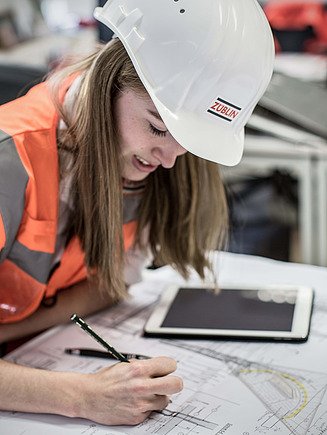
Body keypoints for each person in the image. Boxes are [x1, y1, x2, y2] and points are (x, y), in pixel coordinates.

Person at [0, 0, 274, 427]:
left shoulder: (148, 154)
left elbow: (109, 285)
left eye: (184, 140)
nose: (168, 159)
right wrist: (79, 397)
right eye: (158, 128)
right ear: (109, 83)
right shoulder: (9, 160)